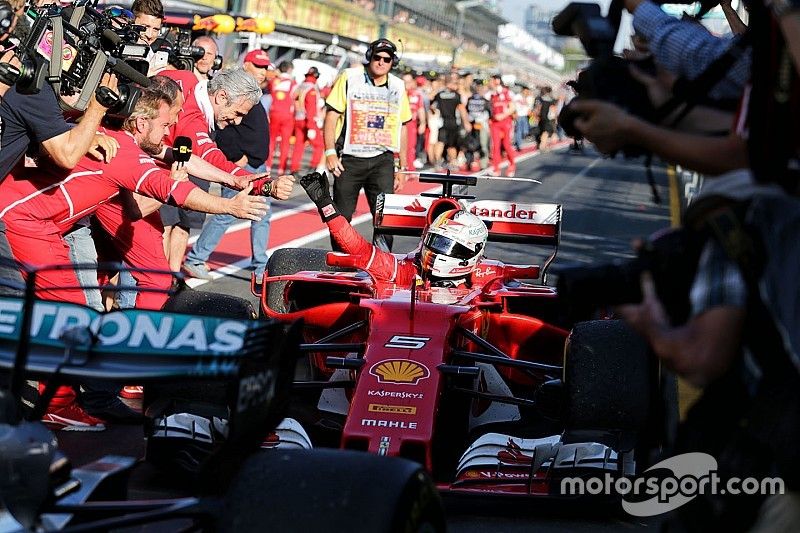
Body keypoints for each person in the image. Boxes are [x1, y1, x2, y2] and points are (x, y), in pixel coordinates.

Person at [0, 85, 268, 431]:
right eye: (164, 126)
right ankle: (58, 404)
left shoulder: (112, 138)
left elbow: (136, 203)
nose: (169, 134)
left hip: (36, 222)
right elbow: (172, 189)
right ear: (141, 125)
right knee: (67, 315)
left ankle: (66, 393)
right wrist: (228, 205)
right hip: (23, 220)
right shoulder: (125, 153)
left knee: (63, 309)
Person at [299, 172, 488, 286]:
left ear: (472, 251)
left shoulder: (485, 279)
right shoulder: (408, 272)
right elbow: (359, 249)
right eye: (435, 241)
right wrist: (325, 203)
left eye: (447, 244)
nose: (437, 251)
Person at [183, 49, 275, 282]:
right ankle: (196, 257)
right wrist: (237, 159)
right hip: (240, 166)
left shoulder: (251, 94)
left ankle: (260, 265)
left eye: (266, 67)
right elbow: (222, 128)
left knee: (260, 214)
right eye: (258, 66)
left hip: (255, 165)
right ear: (246, 65)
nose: (263, 72)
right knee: (227, 212)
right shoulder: (238, 94)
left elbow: (253, 130)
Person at [323, 38, 412, 252]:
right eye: (377, 57)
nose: (381, 62)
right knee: (341, 218)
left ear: (393, 62)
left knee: (385, 217)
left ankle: (381, 262)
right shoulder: (349, 77)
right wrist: (329, 152)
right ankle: (341, 261)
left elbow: (403, 127)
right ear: (369, 57)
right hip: (350, 160)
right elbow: (332, 116)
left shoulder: (398, 86)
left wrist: (402, 167)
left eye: (387, 59)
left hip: (383, 160)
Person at [431, 74, 471, 170]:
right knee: (451, 144)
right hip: (453, 122)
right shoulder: (456, 95)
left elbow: (432, 106)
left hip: (442, 121)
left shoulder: (439, 94)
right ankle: (452, 162)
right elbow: (461, 109)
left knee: (441, 141)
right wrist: (466, 122)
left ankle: (437, 162)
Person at [290, 66, 324, 175]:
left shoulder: (301, 86)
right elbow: (310, 108)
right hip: (308, 121)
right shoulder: (311, 89)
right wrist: (311, 126)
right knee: (319, 145)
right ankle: (313, 168)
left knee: (298, 145)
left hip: (298, 119)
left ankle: (294, 169)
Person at [267, 60, 296, 174]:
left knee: (271, 140)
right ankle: (281, 168)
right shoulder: (293, 83)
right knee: (285, 142)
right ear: (289, 70)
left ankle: (268, 165)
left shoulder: (274, 81)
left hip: (274, 113)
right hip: (287, 115)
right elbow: (294, 97)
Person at [488, 73, 516, 177]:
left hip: (506, 122)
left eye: (492, 80)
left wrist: (503, 115)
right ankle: (496, 168)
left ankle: (512, 164)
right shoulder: (491, 94)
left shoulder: (507, 92)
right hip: (495, 123)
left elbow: (512, 108)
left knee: (506, 145)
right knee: (495, 146)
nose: (490, 83)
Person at [402, 72, 427, 170]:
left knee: (411, 147)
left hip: (411, 124)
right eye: (405, 81)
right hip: (399, 124)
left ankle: (410, 169)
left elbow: (420, 109)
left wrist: (423, 123)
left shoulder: (417, 95)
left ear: (412, 82)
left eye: (408, 81)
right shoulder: (399, 93)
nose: (407, 83)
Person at [465, 81, 492, 171]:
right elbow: (466, 111)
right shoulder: (472, 99)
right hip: (472, 124)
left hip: (481, 125)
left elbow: (490, 112)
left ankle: (483, 164)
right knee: (471, 145)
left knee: (482, 144)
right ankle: (470, 163)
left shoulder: (484, 101)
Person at [534, 86, 556, 151]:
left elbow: (536, 108)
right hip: (547, 118)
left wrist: (536, 116)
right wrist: (554, 119)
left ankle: (540, 144)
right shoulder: (551, 99)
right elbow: (553, 110)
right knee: (545, 132)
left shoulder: (538, 98)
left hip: (539, 117)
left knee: (540, 131)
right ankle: (542, 146)